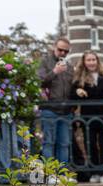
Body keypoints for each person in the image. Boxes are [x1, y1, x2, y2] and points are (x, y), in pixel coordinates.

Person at [73, 51, 103, 183]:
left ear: (97, 61)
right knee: (90, 145)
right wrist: (77, 91)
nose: (91, 62)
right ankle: (94, 173)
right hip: (88, 117)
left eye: (93, 60)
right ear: (84, 62)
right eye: (88, 60)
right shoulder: (80, 78)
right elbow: (72, 94)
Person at [38, 36, 75, 168]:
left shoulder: (70, 67)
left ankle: (62, 173)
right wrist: (54, 72)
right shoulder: (45, 62)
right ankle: (50, 174)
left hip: (66, 111)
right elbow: (39, 81)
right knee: (48, 142)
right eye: (60, 50)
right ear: (54, 48)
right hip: (49, 109)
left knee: (64, 144)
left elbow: (73, 87)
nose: (63, 53)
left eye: (66, 51)